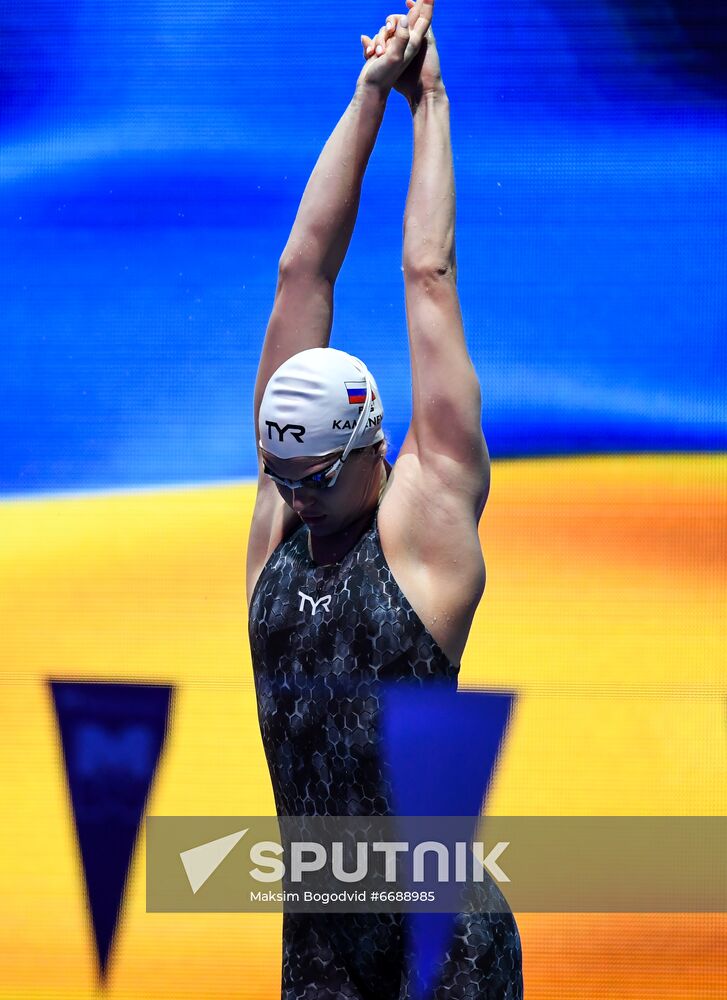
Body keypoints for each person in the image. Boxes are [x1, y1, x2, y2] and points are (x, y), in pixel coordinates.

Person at [246, 1, 523, 996]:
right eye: (279, 475)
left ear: (376, 450)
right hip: (319, 953)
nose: (291, 500)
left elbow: (427, 274)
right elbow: (301, 270)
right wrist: (367, 94)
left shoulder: (421, 531)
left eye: (314, 480)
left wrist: (428, 102)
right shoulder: (282, 515)